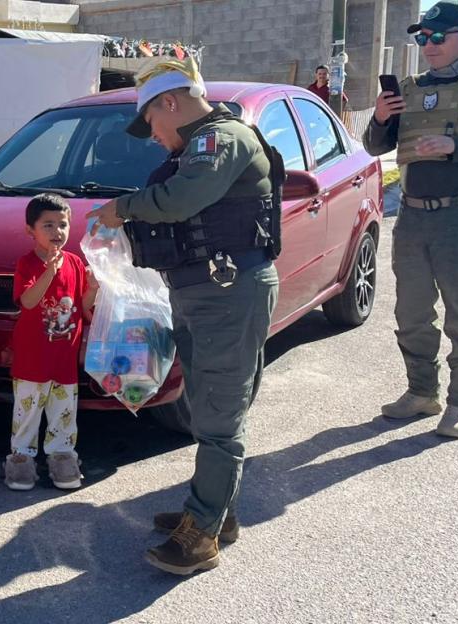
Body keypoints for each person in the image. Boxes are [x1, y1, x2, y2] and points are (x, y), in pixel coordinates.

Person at [88, 57, 284, 575]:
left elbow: (183, 199)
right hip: (199, 292)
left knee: (220, 417)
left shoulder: (224, 138)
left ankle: (201, 536)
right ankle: (218, 512)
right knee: (204, 408)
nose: (152, 135)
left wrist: (124, 207)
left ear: (170, 102)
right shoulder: (193, 147)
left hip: (229, 294)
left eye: (150, 121)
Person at [364, 0, 458, 438]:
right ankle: (421, 392)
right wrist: (379, 118)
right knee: (412, 314)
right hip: (413, 217)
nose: (428, 45)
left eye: (438, 37)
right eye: (422, 38)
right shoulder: (410, 88)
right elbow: (376, 147)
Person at [4, 194, 95, 492]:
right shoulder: (27, 264)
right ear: (31, 230)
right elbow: (28, 302)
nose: (57, 231)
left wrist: (94, 287)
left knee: (64, 410)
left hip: (64, 357)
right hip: (32, 358)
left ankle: (61, 455)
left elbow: (82, 307)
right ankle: (21, 458)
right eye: (48, 225)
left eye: (63, 224)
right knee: (28, 411)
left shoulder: (75, 263)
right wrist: (49, 272)